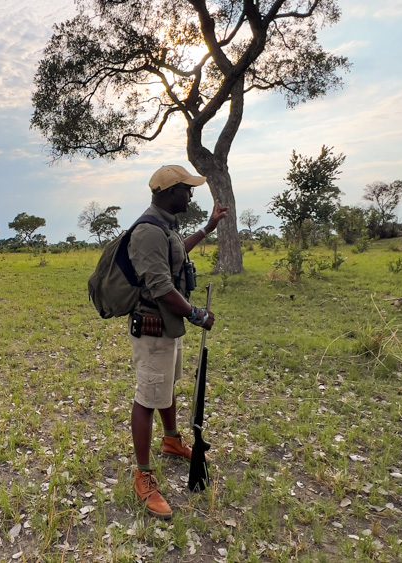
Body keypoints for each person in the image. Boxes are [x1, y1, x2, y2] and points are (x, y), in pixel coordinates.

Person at [128, 164, 229, 519]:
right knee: (147, 397)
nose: (191, 194)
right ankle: (143, 475)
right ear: (170, 192)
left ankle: (171, 440)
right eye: (186, 189)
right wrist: (196, 314)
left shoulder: (165, 227)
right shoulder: (147, 231)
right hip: (154, 328)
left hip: (169, 327)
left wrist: (207, 229)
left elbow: (176, 257)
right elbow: (161, 287)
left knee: (167, 387)